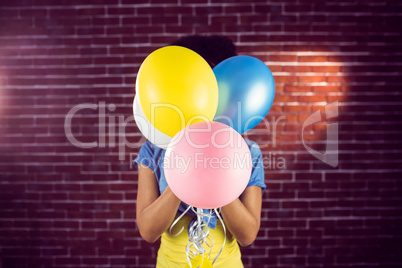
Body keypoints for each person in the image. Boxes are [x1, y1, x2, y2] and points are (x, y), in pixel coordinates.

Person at [134, 35, 266, 268]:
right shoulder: (152, 150)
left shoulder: (248, 152)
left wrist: (215, 170)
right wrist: (186, 168)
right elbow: (148, 231)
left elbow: (247, 235)